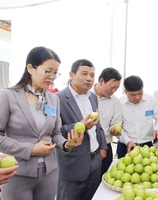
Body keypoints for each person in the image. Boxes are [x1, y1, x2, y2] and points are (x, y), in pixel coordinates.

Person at [0, 46, 83, 200]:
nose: (52, 76)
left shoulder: (53, 99)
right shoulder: (7, 96)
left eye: (55, 72)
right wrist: (31, 149)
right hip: (17, 173)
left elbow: (55, 133)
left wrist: (66, 144)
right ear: (30, 68)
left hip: (48, 173)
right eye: (48, 71)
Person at [55, 59, 108, 200]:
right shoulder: (57, 99)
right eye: (84, 74)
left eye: (92, 75)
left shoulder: (93, 97)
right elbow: (55, 131)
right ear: (71, 74)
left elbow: (98, 124)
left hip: (95, 161)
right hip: (72, 164)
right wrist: (81, 126)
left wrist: (102, 147)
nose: (89, 79)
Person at [117, 75, 158, 158]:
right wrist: (127, 141)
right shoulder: (119, 103)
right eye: (133, 95)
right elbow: (117, 127)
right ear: (125, 91)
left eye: (140, 93)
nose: (137, 97)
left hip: (147, 145)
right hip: (126, 145)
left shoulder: (151, 100)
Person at [92, 67, 123, 176]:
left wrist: (115, 129)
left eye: (117, 88)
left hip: (106, 146)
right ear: (101, 81)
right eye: (112, 87)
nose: (114, 91)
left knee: (104, 178)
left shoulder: (115, 102)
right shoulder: (86, 95)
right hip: (87, 147)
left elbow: (116, 122)